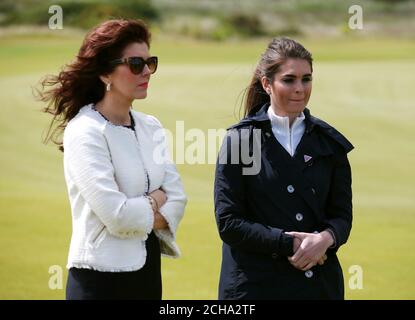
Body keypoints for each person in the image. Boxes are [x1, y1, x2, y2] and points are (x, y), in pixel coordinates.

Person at [38, 19, 187, 300]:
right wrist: (155, 201)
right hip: (98, 281)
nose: (146, 72)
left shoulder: (151, 126)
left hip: (147, 276)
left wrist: (142, 211)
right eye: (135, 64)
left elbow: (178, 199)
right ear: (106, 73)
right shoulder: (84, 131)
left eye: (150, 62)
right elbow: (117, 216)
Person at [214, 37, 353, 300]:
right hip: (254, 286)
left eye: (306, 79)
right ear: (267, 84)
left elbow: (342, 216)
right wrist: (291, 243)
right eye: (289, 80)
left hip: (317, 287)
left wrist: (325, 239)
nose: (300, 88)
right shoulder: (241, 141)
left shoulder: (329, 144)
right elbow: (229, 223)